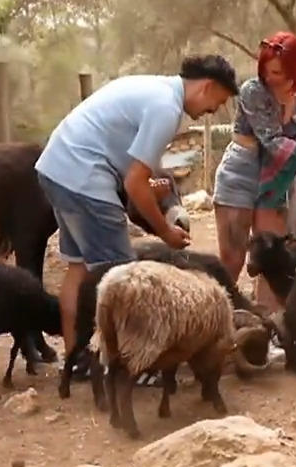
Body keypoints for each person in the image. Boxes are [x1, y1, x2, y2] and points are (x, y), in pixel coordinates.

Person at [36, 54, 239, 382]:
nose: (214, 111)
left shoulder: (152, 88)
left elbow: (141, 172)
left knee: (79, 267)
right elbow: (134, 182)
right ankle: (124, 365)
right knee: (125, 280)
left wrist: (158, 197)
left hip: (57, 168)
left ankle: (76, 360)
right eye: (219, 101)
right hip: (86, 177)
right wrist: (164, 233)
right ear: (208, 87)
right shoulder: (166, 109)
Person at [212, 33, 296, 305]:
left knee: (274, 258)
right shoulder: (252, 91)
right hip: (242, 171)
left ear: (295, 69)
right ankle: (216, 317)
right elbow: (270, 140)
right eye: (266, 71)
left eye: (278, 72)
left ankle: (268, 328)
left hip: (278, 180)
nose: (270, 77)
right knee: (232, 258)